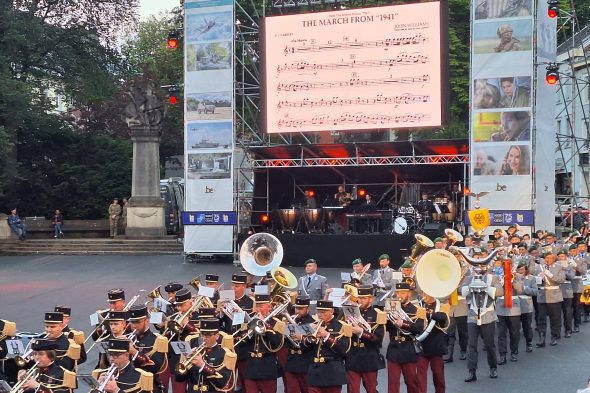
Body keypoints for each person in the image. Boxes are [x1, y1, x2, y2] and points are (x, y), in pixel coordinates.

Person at [461, 263, 504, 382]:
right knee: (472, 344)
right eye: (477, 265)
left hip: (488, 315)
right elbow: (461, 290)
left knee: (489, 344)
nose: (479, 268)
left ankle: (493, 367)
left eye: (482, 265)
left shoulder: (492, 277)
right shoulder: (469, 277)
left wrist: (486, 287)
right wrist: (470, 286)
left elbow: (500, 292)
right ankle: (472, 371)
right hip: (473, 314)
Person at [301, 299, 351, 393]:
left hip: (332, 372)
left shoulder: (342, 326)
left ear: (331, 311)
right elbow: (303, 348)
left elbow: (344, 350)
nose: (320, 314)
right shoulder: (313, 325)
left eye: (323, 312)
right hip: (315, 372)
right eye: (318, 311)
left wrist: (327, 336)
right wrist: (309, 338)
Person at [174, 319, 234, 393]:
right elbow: (179, 379)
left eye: (208, 335)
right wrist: (185, 359)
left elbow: (222, 383)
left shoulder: (224, 354)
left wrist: (202, 365)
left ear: (217, 336)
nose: (204, 338)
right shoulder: (194, 352)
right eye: (202, 335)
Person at [346, 285, 386, 393]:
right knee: (352, 390)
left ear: (371, 299)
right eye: (360, 297)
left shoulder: (377, 314)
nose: (361, 300)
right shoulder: (352, 312)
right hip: (353, 356)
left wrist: (361, 332)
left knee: (371, 389)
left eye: (364, 298)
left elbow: (378, 339)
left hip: (369, 356)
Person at [385, 282, 423, 393]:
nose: (399, 295)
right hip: (393, 349)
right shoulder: (391, 307)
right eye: (397, 293)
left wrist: (403, 323)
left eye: (402, 293)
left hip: (408, 348)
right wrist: (385, 318)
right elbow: (386, 329)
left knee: (412, 383)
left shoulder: (416, 310)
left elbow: (419, 329)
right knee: (393, 385)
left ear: (409, 294)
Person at [242, 294, 285, 393]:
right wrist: (249, 333)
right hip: (251, 367)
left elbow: (278, 344)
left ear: (269, 307)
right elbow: (240, 342)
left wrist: (265, 326)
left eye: (261, 306)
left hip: (267, 366)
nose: (258, 309)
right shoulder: (250, 321)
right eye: (257, 306)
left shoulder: (277, 323)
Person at [127, 305, 167, 393]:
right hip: (129, 386)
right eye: (132, 322)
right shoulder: (128, 339)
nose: (134, 326)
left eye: (137, 322)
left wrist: (134, 352)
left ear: (147, 321)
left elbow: (157, 367)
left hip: (149, 387)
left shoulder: (157, 340)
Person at [417, 293, 449, 393]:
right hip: (422, 345)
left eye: (425, 293)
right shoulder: (418, 305)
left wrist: (430, 314)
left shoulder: (441, 305)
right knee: (420, 376)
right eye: (422, 292)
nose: (423, 295)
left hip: (436, 345)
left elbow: (444, 318)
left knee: (438, 376)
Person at [284, 297, 315, 393]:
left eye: (301, 309)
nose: (297, 311)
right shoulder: (291, 321)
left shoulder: (312, 322)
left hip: (306, 363)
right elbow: (284, 343)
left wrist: (301, 337)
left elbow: (311, 344)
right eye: (296, 308)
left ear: (308, 309)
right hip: (291, 362)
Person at [495, 264, 524, 364]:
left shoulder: (518, 276)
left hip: (514, 308)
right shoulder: (496, 277)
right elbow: (496, 293)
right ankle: (502, 355)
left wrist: (513, 280)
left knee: (515, 332)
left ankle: (514, 352)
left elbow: (520, 291)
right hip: (500, 307)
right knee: (501, 334)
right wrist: (502, 282)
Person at [535, 252, 565, 347]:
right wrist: (539, 278)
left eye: (550, 258)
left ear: (554, 259)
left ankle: (554, 336)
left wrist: (549, 274)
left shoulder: (559, 267)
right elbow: (536, 282)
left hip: (554, 295)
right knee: (541, 318)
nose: (548, 259)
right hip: (542, 295)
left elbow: (561, 280)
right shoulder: (539, 267)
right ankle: (542, 338)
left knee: (555, 318)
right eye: (546, 258)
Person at [515, 260, 537, 352]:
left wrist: (524, 288)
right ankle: (515, 347)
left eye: (522, 269)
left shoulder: (531, 278)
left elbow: (535, 291)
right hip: (515, 305)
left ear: (526, 269)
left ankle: (529, 343)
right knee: (515, 327)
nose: (520, 271)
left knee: (527, 326)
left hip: (526, 305)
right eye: (519, 269)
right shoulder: (513, 278)